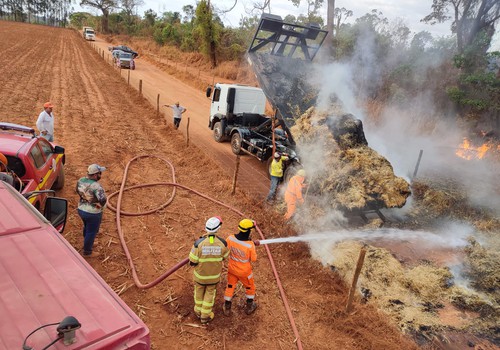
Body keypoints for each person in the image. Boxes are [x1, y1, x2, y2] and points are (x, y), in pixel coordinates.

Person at [188, 216, 229, 324]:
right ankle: (205, 316)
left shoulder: (198, 244)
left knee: (199, 292)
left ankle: (197, 311)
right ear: (218, 228)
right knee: (210, 294)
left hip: (200, 277)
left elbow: (192, 261)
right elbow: (224, 257)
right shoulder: (223, 243)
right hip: (213, 277)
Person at [223, 219, 258, 316]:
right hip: (244, 272)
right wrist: (253, 245)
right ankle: (250, 307)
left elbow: (225, 248)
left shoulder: (230, 238)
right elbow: (254, 259)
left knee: (230, 286)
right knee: (250, 287)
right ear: (248, 231)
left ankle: (227, 307)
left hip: (232, 269)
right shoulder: (250, 245)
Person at [76, 164, 107, 257]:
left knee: (87, 226)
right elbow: (102, 200)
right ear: (94, 175)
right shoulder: (97, 186)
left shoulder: (80, 180)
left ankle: (87, 240)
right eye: (99, 173)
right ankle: (87, 252)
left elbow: (77, 191)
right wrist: (100, 206)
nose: (100, 175)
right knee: (91, 232)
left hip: (81, 209)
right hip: (92, 213)